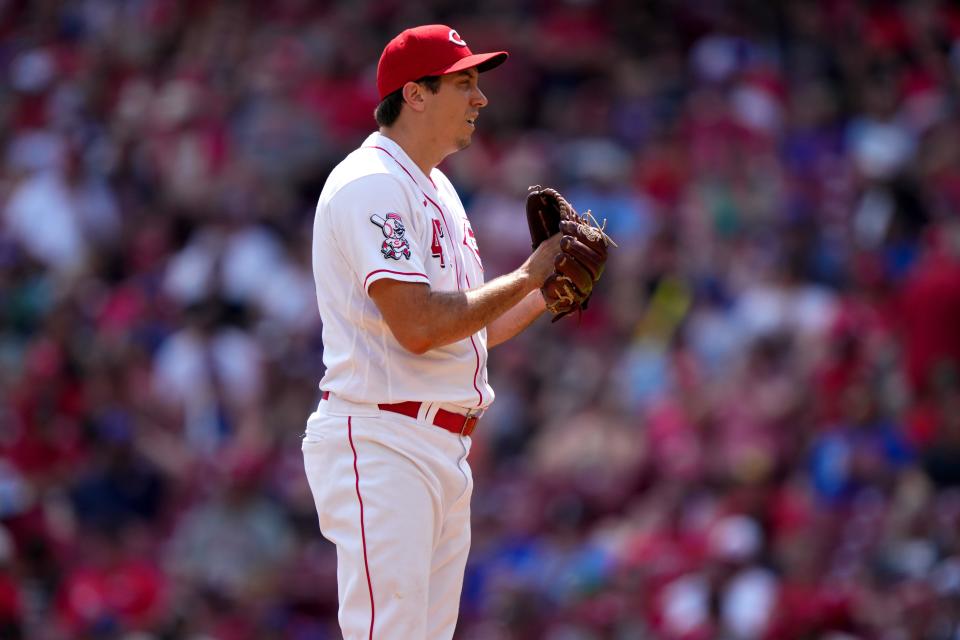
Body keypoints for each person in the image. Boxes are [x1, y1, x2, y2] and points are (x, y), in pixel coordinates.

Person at [301, 24, 563, 639]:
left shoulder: (435, 186)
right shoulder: (372, 183)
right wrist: (527, 272)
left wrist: (545, 291)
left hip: (438, 445)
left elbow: (471, 329)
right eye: (464, 82)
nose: (481, 99)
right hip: (383, 439)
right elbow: (418, 327)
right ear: (414, 94)